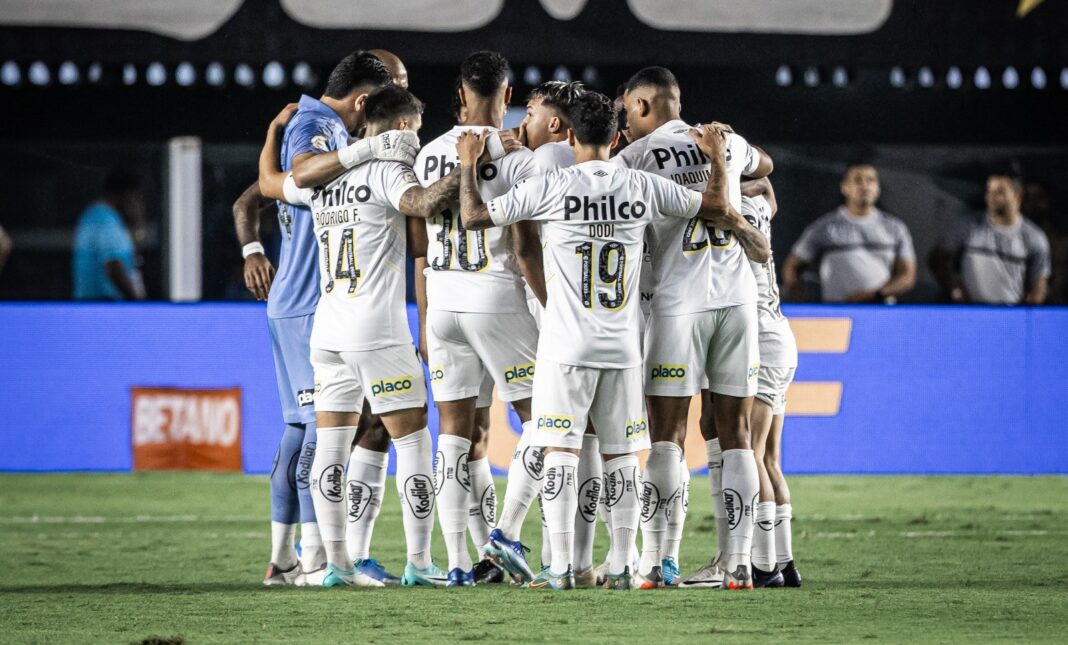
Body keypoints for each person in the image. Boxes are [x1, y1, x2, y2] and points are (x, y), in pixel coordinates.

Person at [458, 91, 756, 590]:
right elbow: (716, 205)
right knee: (622, 458)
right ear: (616, 138)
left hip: (565, 344)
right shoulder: (640, 184)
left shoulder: (551, 186)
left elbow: (473, 218)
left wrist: (470, 166)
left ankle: (558, 568)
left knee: (560, 452)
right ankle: (622, 564)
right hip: (623, 346)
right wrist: (718, 162)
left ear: (570, 134)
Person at [260, 84, 460, 587]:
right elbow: (424, 201)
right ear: (398, 128)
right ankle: (420, 563)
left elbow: (267, 183)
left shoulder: (324, 178)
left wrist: (272, 133)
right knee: (413, 443)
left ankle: (337, 566)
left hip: (327, 332)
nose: (416, 143)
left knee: (330, 448)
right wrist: (472, 163)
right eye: (413, 132)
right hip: (379, 332)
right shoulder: (389, 171)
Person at [239, 50, 407, 588]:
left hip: (293, 301)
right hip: (314, 301)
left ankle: (283, 559)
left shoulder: (310, 124)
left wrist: (251, 248)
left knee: (298, 434)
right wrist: (374, 149)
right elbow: (300, 177)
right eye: (388, 97)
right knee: (325, 431)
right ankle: (319, 560)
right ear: (363, 99)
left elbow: (257, 194)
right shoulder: (318, 126)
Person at [614, 66, 772, 590]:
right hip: (739, 302)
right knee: (738, 436)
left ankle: (659, 561)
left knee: (667, 438)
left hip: (679, 305)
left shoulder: (635, 158)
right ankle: (738, 565)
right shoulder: (722, 139)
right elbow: (767, 165)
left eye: (625, 113)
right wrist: (725, 153)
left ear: (640, 106)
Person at [412, 50, 546, 586]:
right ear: (508, 96)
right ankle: (504, 536)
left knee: (455, 434)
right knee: (547, 420)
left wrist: (422, 318)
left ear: (461, 95)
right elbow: (526, 243)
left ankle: (458, 564)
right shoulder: (518, 157)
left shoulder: (426, 155)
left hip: (441, 301)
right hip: (495, 297)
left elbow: (416, 242)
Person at [739, 178, 802, 588]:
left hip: (762, 340)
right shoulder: (759, 205)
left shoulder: (740, 213)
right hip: (780, 335)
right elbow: (769, 193)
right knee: (770, 459)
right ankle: (785, 561)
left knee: (752, 453)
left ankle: (763, 566)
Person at [782, 164, 916, 303]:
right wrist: (797, 297)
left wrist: (876, 295)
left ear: (877, 188)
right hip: (836, 315)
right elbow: (792, 266)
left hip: (881, 313)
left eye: (870, 180)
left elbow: (907, 275)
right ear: (845, 187)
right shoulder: (824, 228)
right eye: (857, 180)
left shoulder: (895, 228)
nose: (865, 186)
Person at [931, 175, 1051, 305]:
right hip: (970, 312)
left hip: (1009, 316)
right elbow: (937, 259)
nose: (991, 196)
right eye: (989, 191)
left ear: (1017, 196)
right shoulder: (968, 227)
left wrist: (1025, 314)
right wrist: (954, 290)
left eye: (999, 192)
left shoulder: (1034, 237)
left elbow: (1039, 283)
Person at [72, 171, 146, 301]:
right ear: (126, 194)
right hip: (102, 304)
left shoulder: (101, 217)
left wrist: (136, 222)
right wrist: (135, 301)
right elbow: (113, 266)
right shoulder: (105, 219)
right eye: (135, 197)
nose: (136, 203)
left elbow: (132, 258)